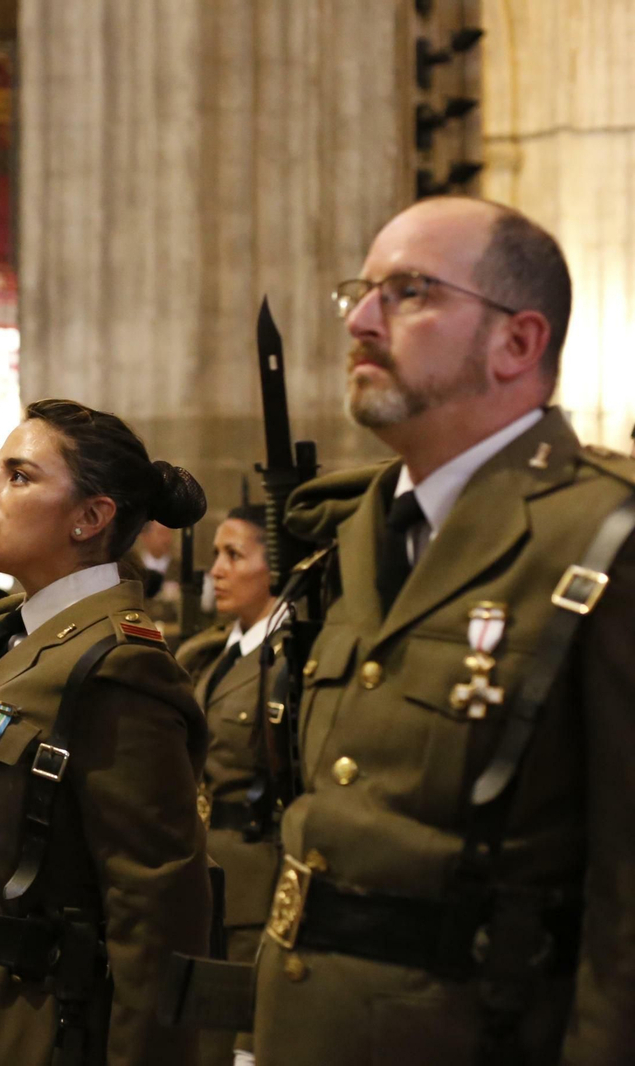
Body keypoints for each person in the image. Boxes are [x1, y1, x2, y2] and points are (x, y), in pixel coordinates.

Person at [252, 197, 635, 1065]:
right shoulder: (356, 537)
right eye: (361, 291)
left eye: (409, 292)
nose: (359, 319)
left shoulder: (604, 540)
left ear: (518, 343)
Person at [0, 399, 212, 1066]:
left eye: (19, 477)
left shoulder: (117, 667)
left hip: (33, 1029)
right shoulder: (14, 641)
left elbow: (157, 917)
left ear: (91, 517)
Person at [172, 505, 286, 1066]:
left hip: (253, 886)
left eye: (234, 555)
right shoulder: (209, 655)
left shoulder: (288, 661)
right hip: (202, 874)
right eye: (215, 554)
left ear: (277, 568)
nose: (215, 569)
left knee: (230, 1048)